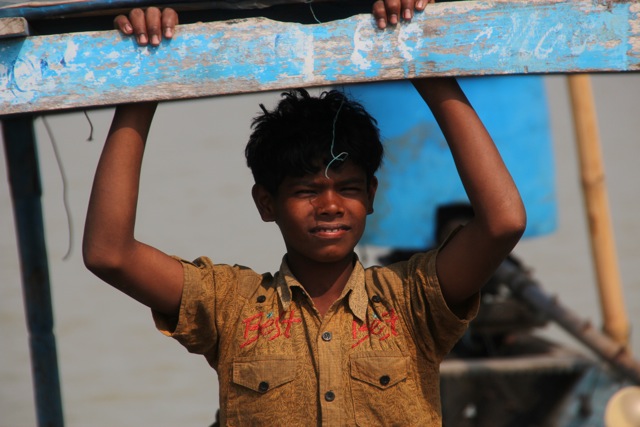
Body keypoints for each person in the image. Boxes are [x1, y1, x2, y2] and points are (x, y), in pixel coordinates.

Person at [84, 7, 526, 426]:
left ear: (371, 195)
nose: (330, 205)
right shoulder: (231, 307)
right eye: (306, 191)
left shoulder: (411, 301)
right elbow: (109, 253)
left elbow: (502, 223)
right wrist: (144, 79)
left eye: (348, 188)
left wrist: (424, 64)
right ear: (266, 203)